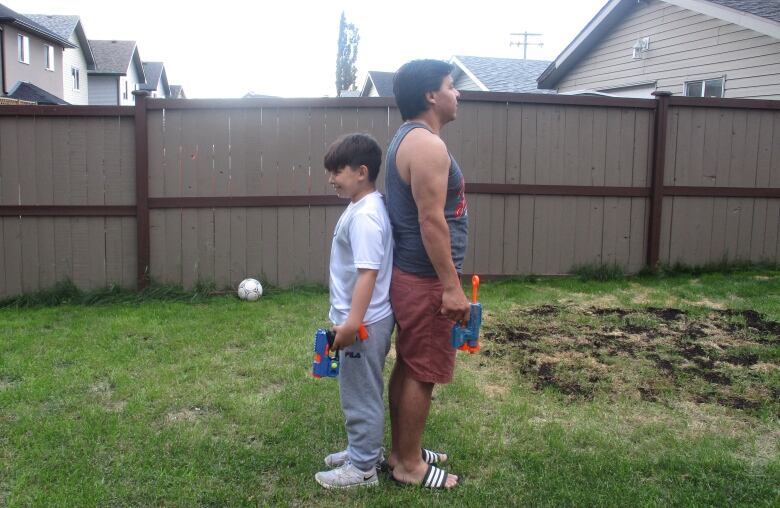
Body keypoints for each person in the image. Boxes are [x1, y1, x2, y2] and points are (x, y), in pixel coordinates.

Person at [384, 59, 470, 490]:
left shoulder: (409, 139)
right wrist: (452, 288)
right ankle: (409, 467)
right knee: (423, 371)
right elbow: (431, 221)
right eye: (452, 86)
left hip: (412, 275)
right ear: (431, 96)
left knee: (410, 364)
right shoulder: (427, 146)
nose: (458, 95)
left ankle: (403, 450)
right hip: (427, 279)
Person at [314, 133, 395, 489]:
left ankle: (362, 469)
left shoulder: (365, 216)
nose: (331, 178)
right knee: (362, 389)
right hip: (362, 320)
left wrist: (351, 324)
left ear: (362, 172)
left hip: (363, 324)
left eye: (338, 171)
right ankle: (363, 450)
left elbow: (368, 274)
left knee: (360, 393)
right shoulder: (363, 206)